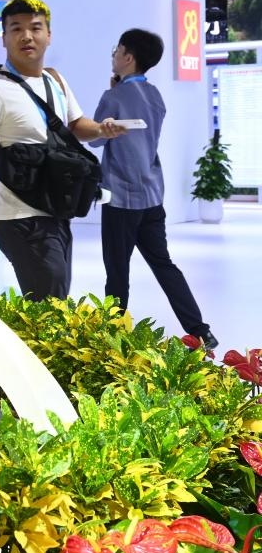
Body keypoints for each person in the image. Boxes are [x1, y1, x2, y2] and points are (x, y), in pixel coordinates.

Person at [0, 0, 125, 301]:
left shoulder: (55, 80)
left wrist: (101, 129)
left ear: (49, 35)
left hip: (57, 210)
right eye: (16, 29)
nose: (26, 36)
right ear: (4, 38)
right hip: (20, 218)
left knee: (52, 302)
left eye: (35, 28)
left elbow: (75, 125)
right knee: (49, 304)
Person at [91, 29, 219, 350]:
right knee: (164, 265)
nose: (113, 54)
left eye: (117, 49)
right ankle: (201, 331)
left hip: (120, 198)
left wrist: (113, 97)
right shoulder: (155, 95)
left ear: (128, 57)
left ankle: (113, 340)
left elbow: (94, 140)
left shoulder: (113, 97)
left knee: (117, 273)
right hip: (151, 196)